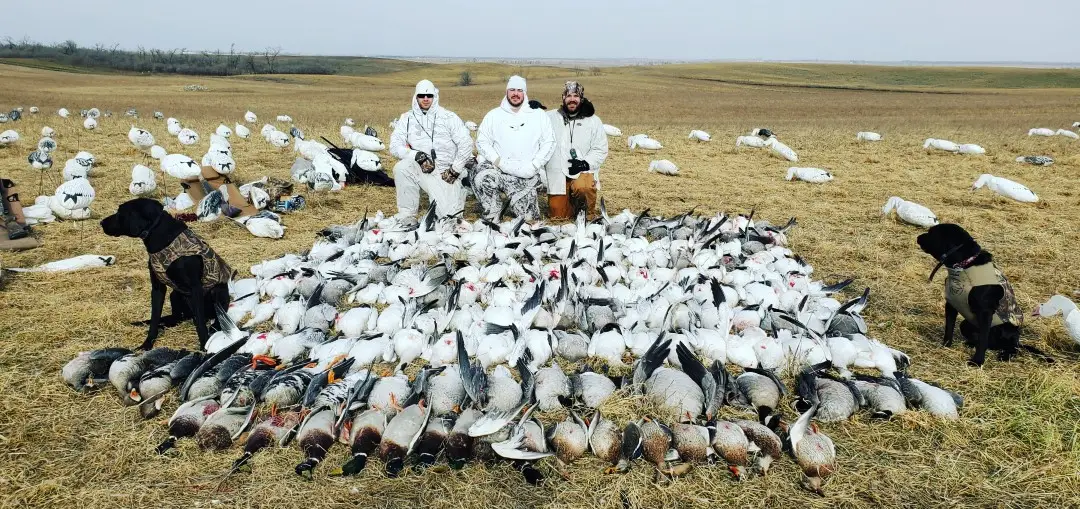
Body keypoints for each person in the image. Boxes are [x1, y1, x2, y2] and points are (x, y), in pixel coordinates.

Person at [472, 76, 555, 222]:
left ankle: (520, 205)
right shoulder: (494, 115)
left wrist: (535, 165)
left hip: (526, 174)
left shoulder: (538, 115)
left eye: (519, 90)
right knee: (482, 177)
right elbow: (482, 141)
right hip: (500, 169)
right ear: (506, 92)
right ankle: (493, 213)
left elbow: (550, 142)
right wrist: (498, 161)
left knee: (528, 220)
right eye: (512, 90)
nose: (515, 94)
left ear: (525, 92)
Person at [389, 79, 474, 221]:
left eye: (429, 96)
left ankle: (457, 193)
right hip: (422, 170)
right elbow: (394, 146)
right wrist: (416, 155)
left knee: (448, 218)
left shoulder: (449, 117)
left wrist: (455, 169)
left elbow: (466, 144)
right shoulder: (407, 118)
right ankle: (407, 213)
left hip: (446, 173)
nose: (426, 99)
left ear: (435, 96)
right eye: (421, 95)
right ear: (416, 97)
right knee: (402, 167)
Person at [544, 81, 608, 220]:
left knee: (583, 188)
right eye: (568, 96)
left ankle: (586, 213)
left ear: (581, 99)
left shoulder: (593, 121)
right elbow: (531, 120)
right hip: (558, 172)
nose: (572, 99)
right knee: (558, 217)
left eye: (576, 96)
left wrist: (584, 164)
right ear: (563, 98)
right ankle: (569, 204)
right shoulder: (550, 117)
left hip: (582, 171)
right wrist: (530, 109)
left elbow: (600, 148)